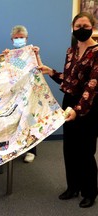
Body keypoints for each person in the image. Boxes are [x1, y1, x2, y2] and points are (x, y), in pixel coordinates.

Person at [39, 11, 98, 208]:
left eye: (85, 26)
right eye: (78, 26)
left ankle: (89, 192)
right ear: (72, 28)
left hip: (88, 107)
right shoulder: (70, 51)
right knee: (70, 149)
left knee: (86, 151)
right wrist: (51, 72)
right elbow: (69, 80)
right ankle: (72, 187)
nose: (81, 30)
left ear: (92, 27)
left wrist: (78, 109)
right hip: (69, 103)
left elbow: (93, 85)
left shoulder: (97, 52)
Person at [3, 25, 42, 163]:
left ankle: (31, 150)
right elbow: (6, 73)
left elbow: (40, 69)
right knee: (14, 119)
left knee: (30, 119)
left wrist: (36, 54)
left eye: (21, 37)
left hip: (30, 90)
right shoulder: (10, 54)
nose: (19, 40)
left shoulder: (31, 52)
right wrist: (5, 57)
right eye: (16, 38)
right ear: (12, 39)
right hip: (16, 91)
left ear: (26, 38)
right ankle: (14, 147)